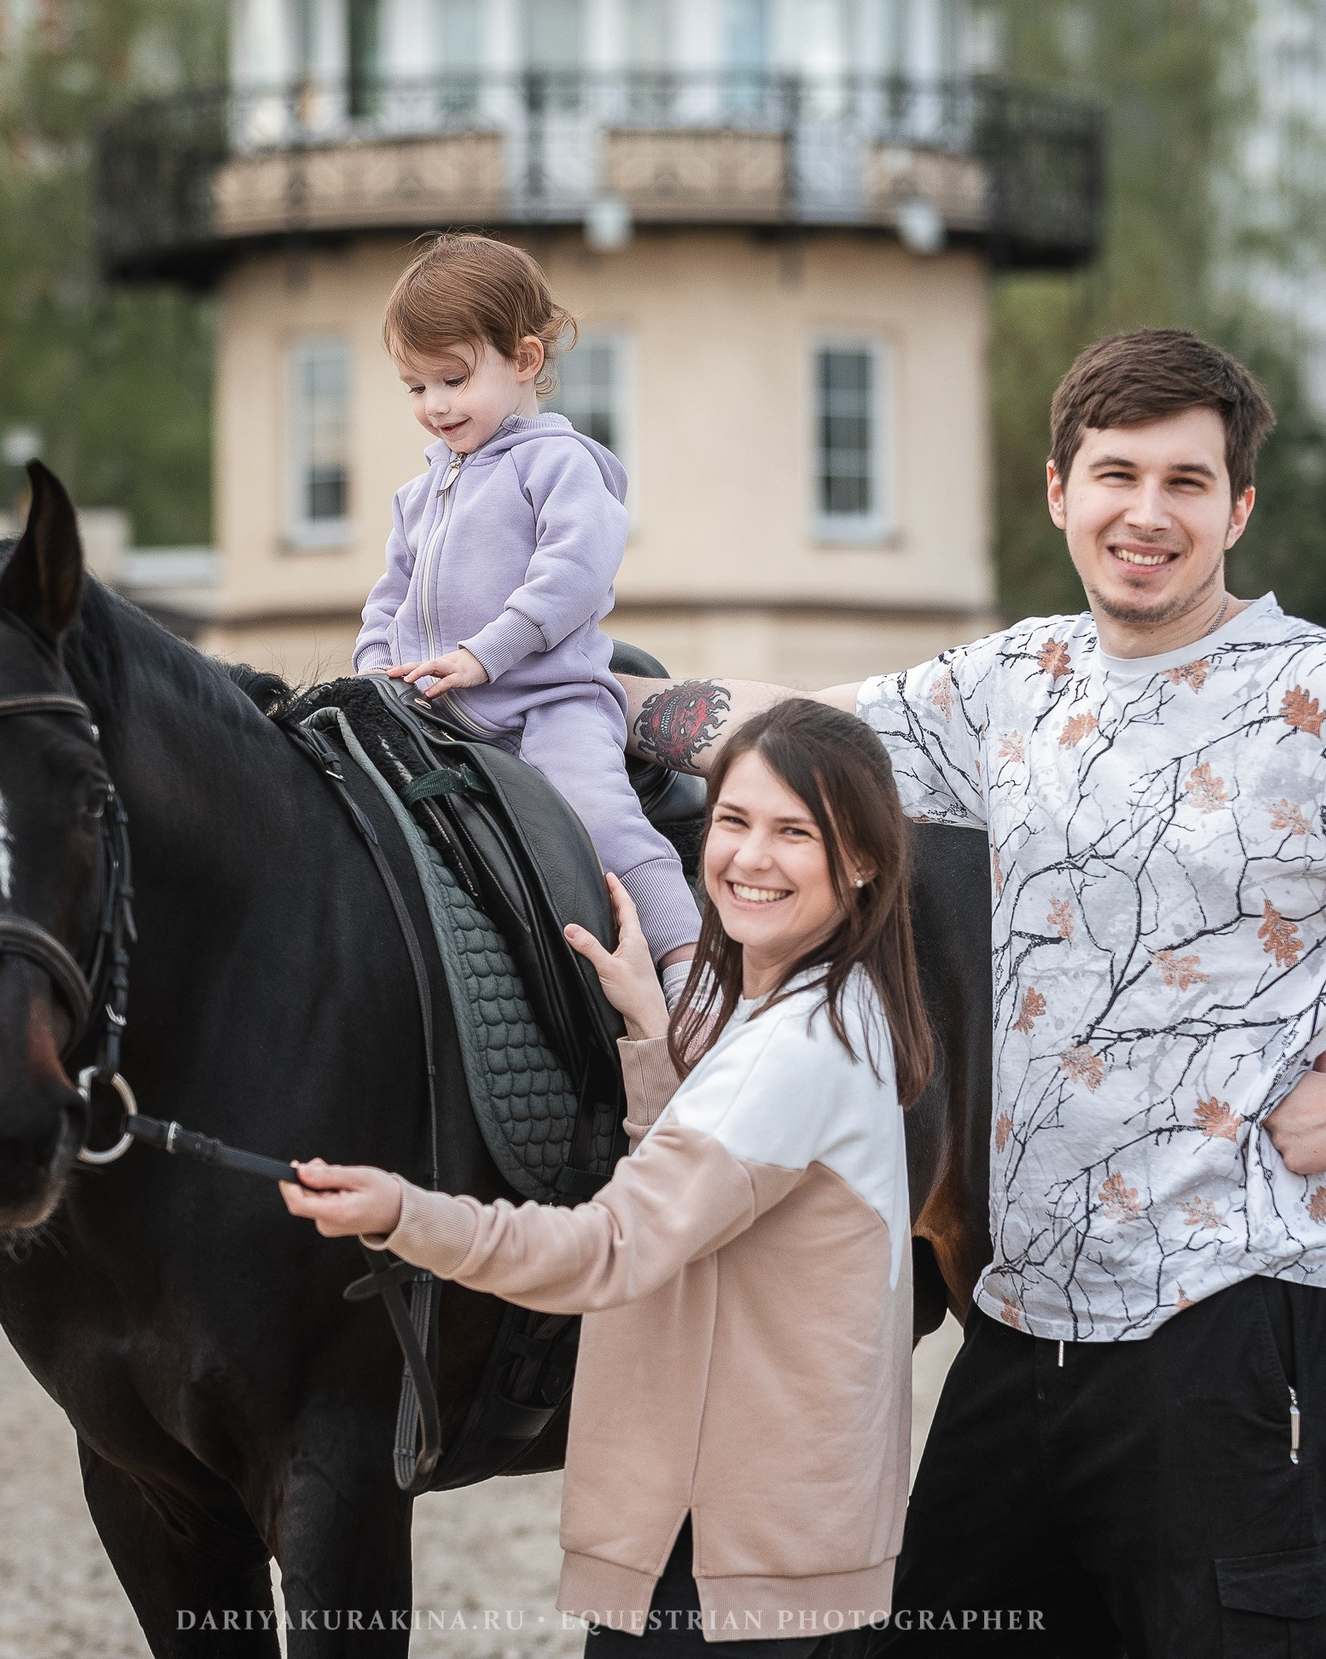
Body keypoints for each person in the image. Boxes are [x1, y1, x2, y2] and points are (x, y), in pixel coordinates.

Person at [615, 330, 1326, 1655]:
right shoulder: (1016, 682)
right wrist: (598, 695)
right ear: (1059, 491)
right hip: (1018, 1322)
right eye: (1116, 474)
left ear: (1239, 507)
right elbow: (793, 730)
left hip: (1220, 1320)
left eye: (1186, 481)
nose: (1147, 514)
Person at [282, 700, 934, 1653]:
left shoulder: (791, 1050)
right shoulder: (843, 1002)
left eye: (796, 832)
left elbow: (611, 1247)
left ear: (864, 859)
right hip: (779, 1543)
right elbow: (722, 1197)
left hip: (724, 1569)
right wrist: (648, 1034)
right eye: (735, 821)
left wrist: (406, 1213)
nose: (750, 858)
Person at [356, 231, 701, 986]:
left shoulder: (561, 463)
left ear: (525, 361)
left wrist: (489, 651)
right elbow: (390, 595)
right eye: (416, 388)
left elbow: (575, 572)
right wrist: (371, 674)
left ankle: (685, 961)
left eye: (451, 379)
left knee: (597, 814)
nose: (435, 406)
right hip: (434, 708)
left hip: (546, 702)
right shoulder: (419, 494)